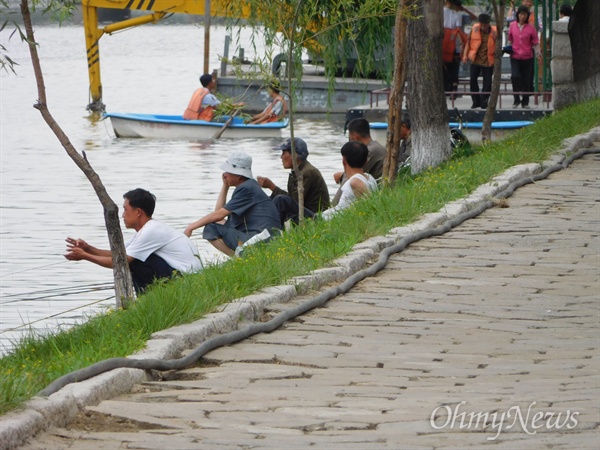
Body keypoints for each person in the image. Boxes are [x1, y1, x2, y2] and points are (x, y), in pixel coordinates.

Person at [65, 188, 202, 294]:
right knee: (133, 258)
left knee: (134, 262)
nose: (123, 215)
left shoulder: (150, 231)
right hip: (185, 276)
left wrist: (85, 256)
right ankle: (151, 298)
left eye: (125, 209)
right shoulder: (146, 230)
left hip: (187, 279)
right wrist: (88, 248)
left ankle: (147, 299)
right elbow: (119, 254)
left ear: (138, 212)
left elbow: (119, 261)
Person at [184, 151, 282, 256]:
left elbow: (218, 215)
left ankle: (238, 260)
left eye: (228, 171)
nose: (224, 175)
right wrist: (225, 186)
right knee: (215, 224)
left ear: (239, 175)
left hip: (264, 238)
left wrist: (191, 227)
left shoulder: (246, 188)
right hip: (267, 236)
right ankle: (239, 258)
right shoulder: (249, 186)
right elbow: (218, 215)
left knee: (210, 228)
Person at [257, 137, 330, 226]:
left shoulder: (307, 172)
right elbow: (291, 199)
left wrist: (272, 186)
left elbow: (293, 201)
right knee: (271, 199)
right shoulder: (298, 172)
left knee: (280, 200)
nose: (281, 157)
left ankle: (272, 233)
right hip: (305, 212)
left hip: (316, 218)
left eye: (284, 153)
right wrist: (272, 188)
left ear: (295, 155)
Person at [332, 118, 385, 205]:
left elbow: (353, 173)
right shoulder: (376, 147)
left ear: (355, 137)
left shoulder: (369, 151)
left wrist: (333, 206)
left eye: (349, 137)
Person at [321, 141, 378, 221]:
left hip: (329, 219)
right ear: (366, 161)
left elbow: (371, 207)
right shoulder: (370, 178)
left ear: (344, 160)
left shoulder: (355, 182)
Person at [508, 5, 540, 109]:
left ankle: (525, 102)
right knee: (515, 76)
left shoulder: (531, 28)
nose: (522, 16)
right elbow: (510, 39)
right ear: (518, 15)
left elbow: (535, 43)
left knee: (527, 80)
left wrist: (539, 55)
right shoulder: (512, 25)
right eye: (521, 14)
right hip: (515, 56)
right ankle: (516, 100)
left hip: (528, 57)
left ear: (527, 16)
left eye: (525, 14)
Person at [462, 13, 497, 109]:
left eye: (485, 24)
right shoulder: (474, 29)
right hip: (475, 60)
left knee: (487, 82)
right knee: (473, 80)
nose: (483, 27)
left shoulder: (494, 32)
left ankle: (484, 101)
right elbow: (468, 43)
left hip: (488, 61)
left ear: (488, 24)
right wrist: (465, 55)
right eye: (482, 24)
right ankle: (475, 101)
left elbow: (498, 46)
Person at [442, 0, 471, 94]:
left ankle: (453, 85)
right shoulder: (442, 11)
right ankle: (449, 85)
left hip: (453, 39)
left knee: (453, 65)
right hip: (445, 39)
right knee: (445, 65)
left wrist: (461, 45)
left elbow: (458, 29)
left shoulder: (456, 14)